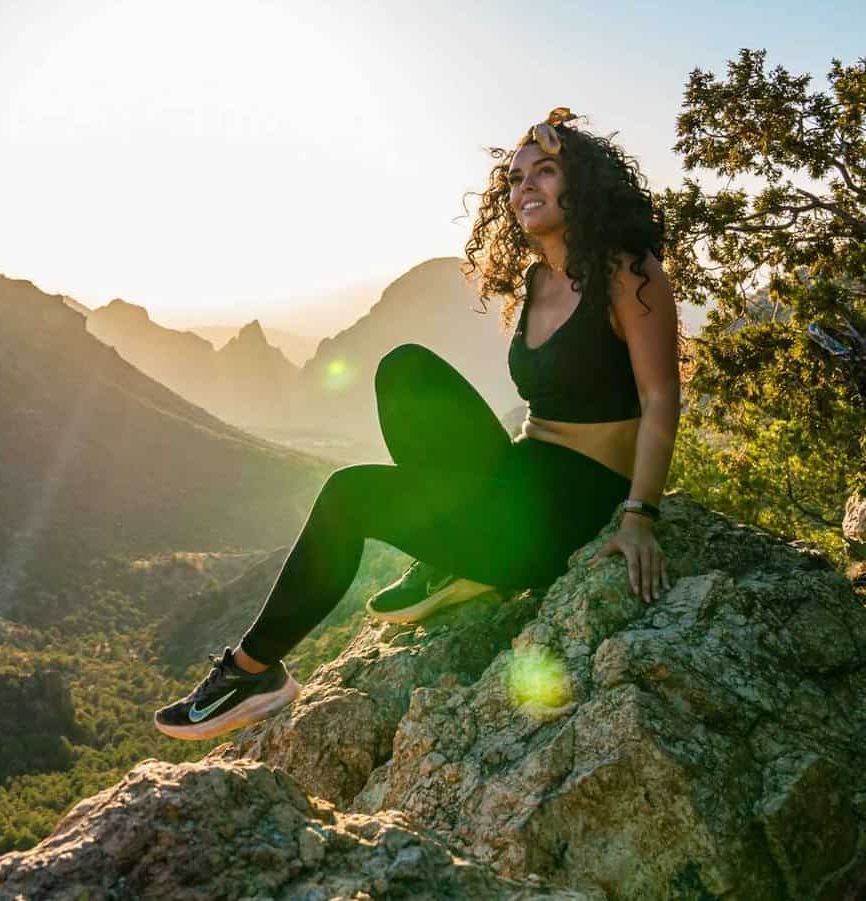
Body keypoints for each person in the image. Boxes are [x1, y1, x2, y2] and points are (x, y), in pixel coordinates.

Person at [154, 107, 681, 741]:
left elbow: (660, 400)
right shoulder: (538, 279)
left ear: (585, 185)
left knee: (349, 494)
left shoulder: (629, 272)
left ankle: (251, 671)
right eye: (515, 179)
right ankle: (453, 561)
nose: (525, 189)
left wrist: (639, 517)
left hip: (575, 504)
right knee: (405, 370)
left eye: (545, 172)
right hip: (519, 482)